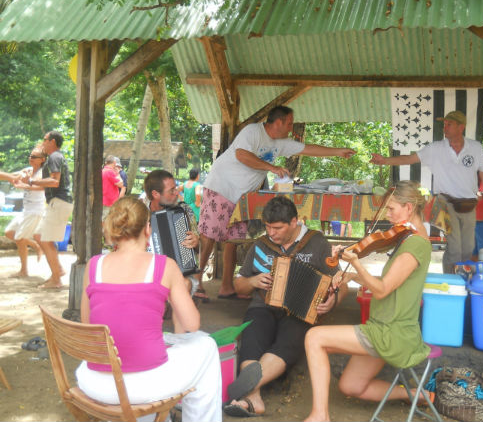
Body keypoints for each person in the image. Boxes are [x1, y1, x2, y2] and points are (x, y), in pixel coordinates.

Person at [75, 197, 222, 422]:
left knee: (153, 347)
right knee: (207, 346)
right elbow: (192, 325)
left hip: (94, 381)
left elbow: (88, 326)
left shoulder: (94, 265)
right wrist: (176, 291)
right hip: (141, 385)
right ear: (147, 228)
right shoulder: (165, 266)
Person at [303, 181, 432, 422]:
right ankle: (416, 394)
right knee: (351, 386)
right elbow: (390, 283)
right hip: (386, 327)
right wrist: (352, 275)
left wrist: (356, 263)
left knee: (314, 338)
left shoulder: (415, 244)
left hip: (390, 332)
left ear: (409, 207)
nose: (388, 214)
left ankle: (320, 415)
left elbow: (382, 290)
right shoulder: (409, 239)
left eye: (392, 208)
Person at [196, 105, 356, 299]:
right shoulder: (253, 131)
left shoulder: (280, 143)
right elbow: (242, 155)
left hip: (241, 197)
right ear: (278, 122)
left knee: (232, 240)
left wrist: (338, 151)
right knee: (209, 236)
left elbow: (307, 149)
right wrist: (271, 167)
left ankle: (227, 287)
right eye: (289, 123)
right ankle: (197, 284)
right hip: (221, 187)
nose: (291, 128)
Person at [223, 196, 348, 417]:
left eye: (277, 228)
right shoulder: (261, 244)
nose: (271, 233)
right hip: (262, 306)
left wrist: (333, 301)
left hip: (300, 312)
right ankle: (254, 398)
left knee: (289, 340)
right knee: (252, 336)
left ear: (294, 222)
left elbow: (341, 282)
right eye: (268, 227)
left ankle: (248, 392)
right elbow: (239, 285)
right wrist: (251, 282)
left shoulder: (316, 243)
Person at [371, 110, 483, 274]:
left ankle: (462, 280)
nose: (445, 127)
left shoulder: (475, 147)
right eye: (444, 124)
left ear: (461, 127)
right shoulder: (435, 148)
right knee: (455, 244)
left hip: (468, 205)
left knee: (466, 247)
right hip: (446, 203)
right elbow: (409, 159)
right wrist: (385, 161)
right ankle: (451, 280)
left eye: (449, 124)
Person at [15, 131, 74, 288]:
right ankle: (57, 271)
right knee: (40, 236)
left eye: (45, 140)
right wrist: (31, 182)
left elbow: (54, 182)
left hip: (59, 201)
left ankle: (56, 279)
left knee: (45, 239)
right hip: (58, 202)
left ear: (52, 141)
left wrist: (32, 181)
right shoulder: (55, 157)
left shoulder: (54, 157)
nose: (43, 142)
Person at [143, 169, 204, 301]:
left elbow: (199, 250)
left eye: (176, 188)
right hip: (144, 273)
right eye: (171, 190)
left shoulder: (184, 210)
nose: (177, 193)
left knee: (186, 283)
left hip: (177, 274)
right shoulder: (138, 212)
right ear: (155, 194)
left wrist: (196, 243)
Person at [5, 146, 46, 277]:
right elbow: (13, 177)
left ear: (42, 160)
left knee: (19, 238)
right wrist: (15, 178)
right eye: (30, 156)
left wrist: (25, 183)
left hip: (35, 210)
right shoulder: (27, 170)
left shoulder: (43, 173)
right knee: (9, 232)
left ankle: (24, 270)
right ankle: (35, 245)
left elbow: (42, 187)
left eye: (34, 157)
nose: (31, 158)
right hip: (26, 210)